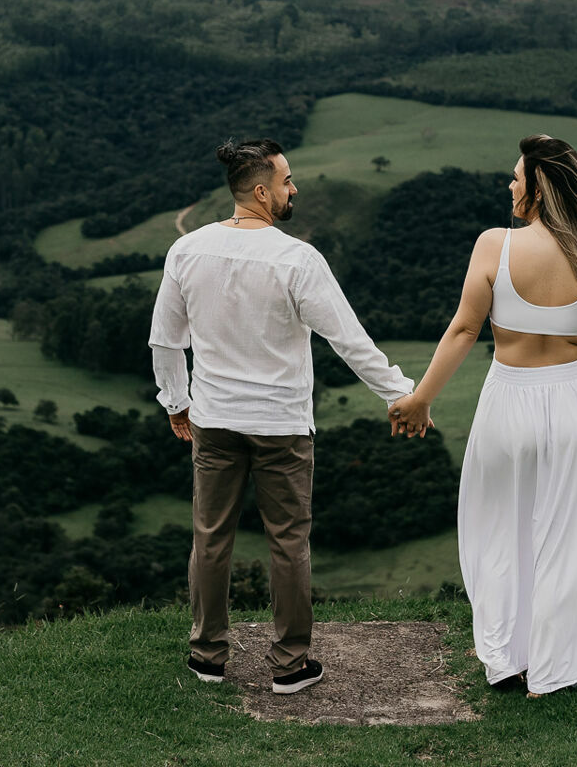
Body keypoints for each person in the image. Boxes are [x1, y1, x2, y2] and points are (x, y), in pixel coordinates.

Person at [149, 138, 419, 695]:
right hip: (281, 426)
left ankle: (207, 656)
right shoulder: (297, 259)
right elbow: (350, 339)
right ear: (261, 190)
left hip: (215, 420)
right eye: (288, 181)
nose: (295, 189)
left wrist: (176, 403)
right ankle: (290, 665)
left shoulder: (187, 251)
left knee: (210, 537)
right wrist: (401, 393)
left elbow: (165, 341)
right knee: (289, 542)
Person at [389, 133, 577, 697]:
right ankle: (553, 674)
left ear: (539, 186)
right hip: (576, 402)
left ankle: (504, 659)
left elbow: (462, 330)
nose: (509, 184)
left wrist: (421, 397)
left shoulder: (494, 245)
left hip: (508, 400)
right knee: (568, 539)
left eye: (517, 177)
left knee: (497, 527)